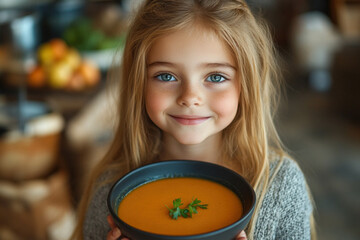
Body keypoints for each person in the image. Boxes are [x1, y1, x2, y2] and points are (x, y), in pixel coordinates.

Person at [71, 0, 317, 239]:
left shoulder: (281, 185)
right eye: (166, 76)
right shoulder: (109, 188)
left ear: (247, 85)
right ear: (139, 83)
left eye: (216, 77)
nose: (190, 98)